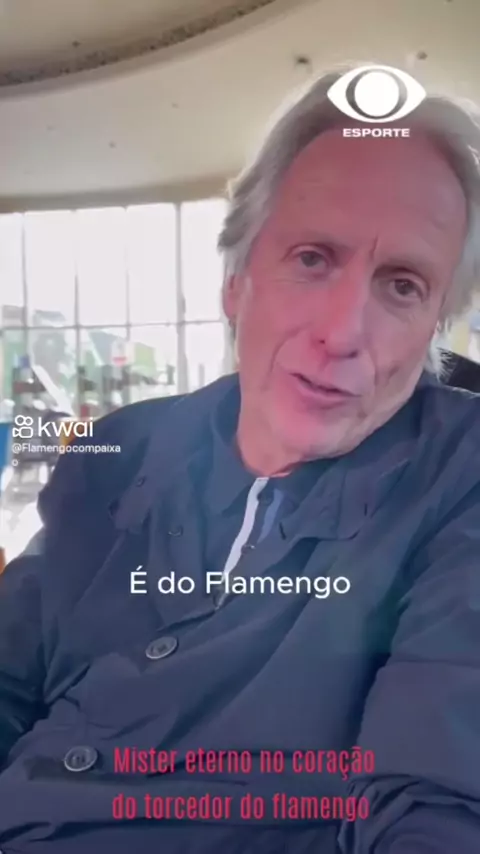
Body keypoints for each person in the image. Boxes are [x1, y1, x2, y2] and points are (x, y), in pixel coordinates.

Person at [1, 66, 480, 854]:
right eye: (313, 258)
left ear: (435, 324)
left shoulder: (460, 478)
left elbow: (439, 800)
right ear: (236, 280)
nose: (342, 332)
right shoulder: (119, 452)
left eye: (402, 285)